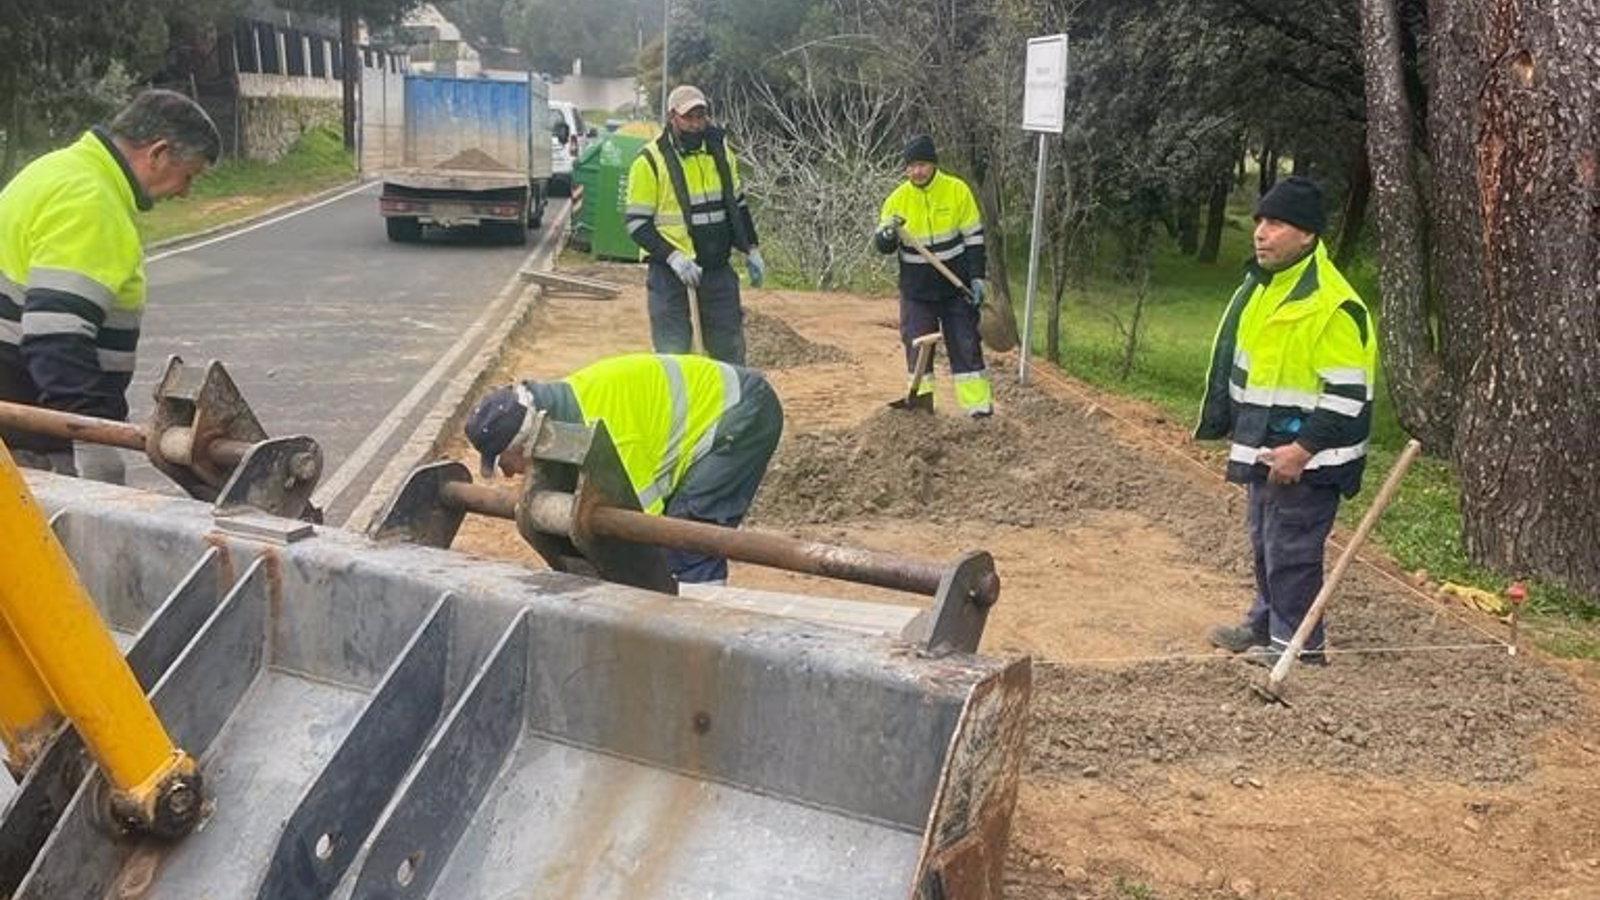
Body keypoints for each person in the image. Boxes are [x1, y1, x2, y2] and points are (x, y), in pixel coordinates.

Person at [1196, 176, 1378, 666]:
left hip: (1310, 460)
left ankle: (1297, 650)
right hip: (1266, 446)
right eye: (1258, 220)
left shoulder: (1332, 306)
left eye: (1275, 223)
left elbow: (1347, 396)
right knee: (1264, 541)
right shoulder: (1264, 289)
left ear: (1307, 235)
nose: (1260, 232)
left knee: (1293, 551)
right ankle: (1264, 625)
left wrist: (1302, 451)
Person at [0, 90, 221, 483]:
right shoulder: (92, 201)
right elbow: (57, 338)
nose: (185, 191)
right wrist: (94, 445)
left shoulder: (54, 170)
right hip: (31, 445)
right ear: (158, 153)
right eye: (189, 175)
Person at [465, 353, 783, 585]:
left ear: (525, 442)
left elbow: (642, 524)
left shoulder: (609, 434)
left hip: (741, 414)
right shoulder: (563, 417)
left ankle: (702, 630)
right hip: (719, 412)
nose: (509, 475)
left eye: (506, 462)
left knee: (686, 538)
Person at [624, 85, 764, 364]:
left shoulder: (719, 152)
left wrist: (752, 248)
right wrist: (674, 257)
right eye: (688, 117)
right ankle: (679, 408)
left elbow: (737, 205)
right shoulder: (650, 161)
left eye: (701, 116)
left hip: (717, 271)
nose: (696, 124)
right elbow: (637, 224)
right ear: (672, 117)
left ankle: (728, 407)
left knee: (730, 351)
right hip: (670, 275)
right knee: (673, 354)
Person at [873, 134, 992, 417]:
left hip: (955, 289)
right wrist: (888, 234)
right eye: (911, 166)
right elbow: (883, 245)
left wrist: (977, 278)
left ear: (934, 164)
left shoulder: (957, 191)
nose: (917, 171)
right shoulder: (896, 200)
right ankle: (922, 411)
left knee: (966, 346)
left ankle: (979, 412)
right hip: (917, 292)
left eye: (922, 165)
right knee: (918, 350)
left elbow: (974, 239)